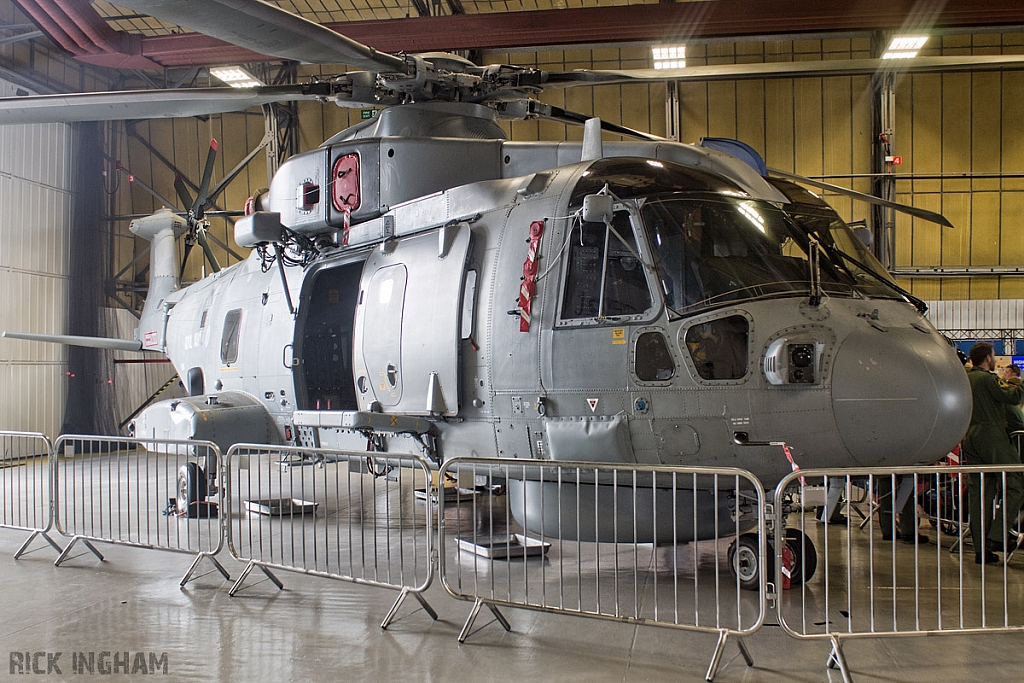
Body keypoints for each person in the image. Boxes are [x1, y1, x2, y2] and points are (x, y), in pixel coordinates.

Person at [963, 342, 1024, 564]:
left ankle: (980, 550)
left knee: (980, 494)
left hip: (971, 436)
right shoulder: (988, 379)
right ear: (987, 358)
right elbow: (1013, 398)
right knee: (1016, 482)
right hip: (991, 435)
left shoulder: (966, 379)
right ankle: (997, 536)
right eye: (994, 355)